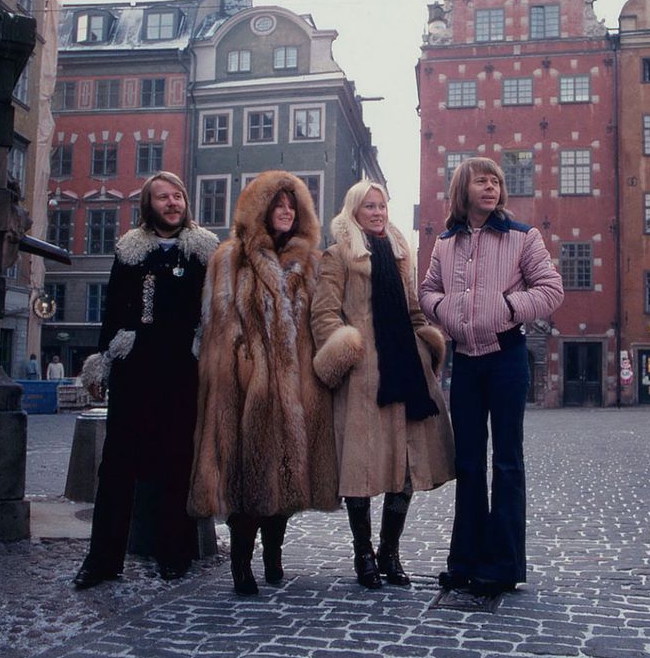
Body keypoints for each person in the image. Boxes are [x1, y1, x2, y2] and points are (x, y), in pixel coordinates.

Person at [188, 171, 339, 596]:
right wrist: (244, 368)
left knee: (288, 481)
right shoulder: (230, 258)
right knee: (247, 482)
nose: (286, 212)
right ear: (261, 210)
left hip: (297, 388)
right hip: (247, 386)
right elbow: (220, 323)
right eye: (278, 205)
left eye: (292, 205)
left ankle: (274, 556)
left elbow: (319, 320)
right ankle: (241, 565)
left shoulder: (311, 261)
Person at [419, 157, 564, 598]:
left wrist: (507, 307)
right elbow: (428, 292)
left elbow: (551, 289)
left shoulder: (522, 238)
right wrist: (445, 312)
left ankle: (502, 566)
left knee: (506, 461)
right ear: (463, 190)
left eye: (495, 181)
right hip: (465, 361)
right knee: (468, 463)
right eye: (481, 180)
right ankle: (464, 561)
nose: (491, 187)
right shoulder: (445, 244)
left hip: (506, 358)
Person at [75, 171, 218, 589]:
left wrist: (203, 352)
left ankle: (174, 554)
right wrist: (103, 361)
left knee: (176, 463)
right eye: (163, 197)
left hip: (181, 368)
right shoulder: (130, 251)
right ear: (148, 205)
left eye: (177, 196)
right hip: (135, 368)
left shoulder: (204, 251)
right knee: (117, 466)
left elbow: (214, 312)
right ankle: (102, 559)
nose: (172, 203)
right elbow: (114, 310)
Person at [310, 180, 455, 589]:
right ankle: (363, 555)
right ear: (354, 211)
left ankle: (390, 552)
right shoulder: (337, 256)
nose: (377, 212)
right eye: (369, 206)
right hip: (362, 377)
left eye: (382, 206)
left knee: (405, 466)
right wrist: (346, 351)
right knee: (361, 466)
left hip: (405, 371)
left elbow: (413, 312)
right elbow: (323, 316)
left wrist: (427, 346)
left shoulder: (399, 255)